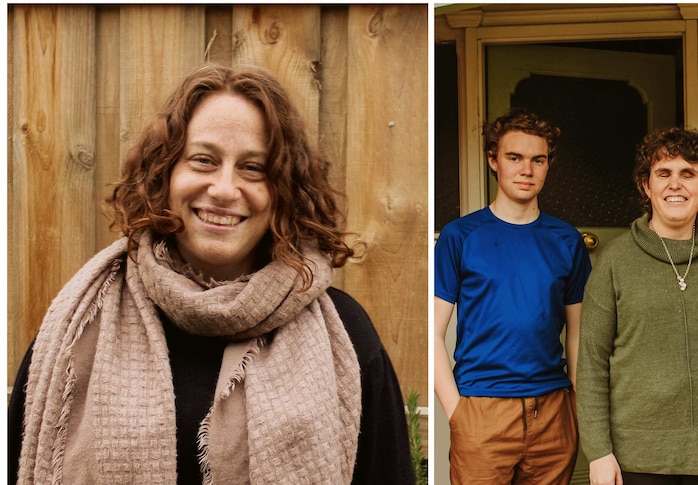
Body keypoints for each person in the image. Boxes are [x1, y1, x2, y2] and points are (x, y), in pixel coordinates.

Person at [9, 63, 414, 485]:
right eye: (203, 160)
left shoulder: (346, 333)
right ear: (165, 174)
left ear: (284, 191)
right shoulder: (78, 324)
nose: (223, 189)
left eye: (253, 168)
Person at [577, 127, 698, 485]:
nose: (675, 184)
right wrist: (598, 451)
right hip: (636, 456)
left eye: (688, 173)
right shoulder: (615, 260)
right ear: (646, 185)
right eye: (664, 173)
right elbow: (592, 364)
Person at [434, 109, 591, 484]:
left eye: (538, 160)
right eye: (514, 158)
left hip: (553, 408)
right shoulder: (460, 237)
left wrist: (576, 407)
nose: (527, 170)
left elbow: (578, 336)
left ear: (548, 165)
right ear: (493, 160)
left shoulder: (566, 239)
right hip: (482, 409)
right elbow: (432, 334)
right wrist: (457, 412)